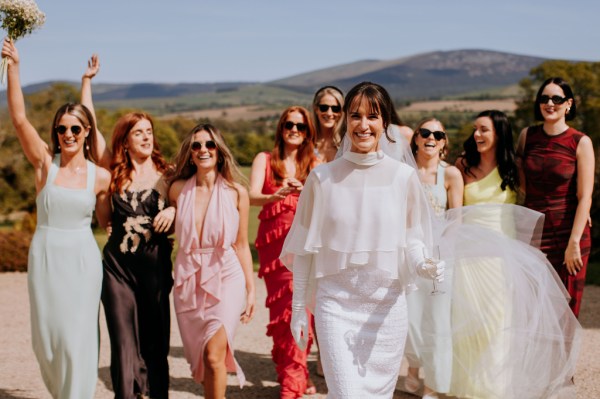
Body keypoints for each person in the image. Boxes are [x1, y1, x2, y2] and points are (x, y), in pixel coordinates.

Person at [281, 81, 444, 398]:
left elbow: (411, 239)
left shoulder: (403, 177)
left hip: (386, 310)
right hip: (335, 307)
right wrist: (299, 306)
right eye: (355, 115)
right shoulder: (322, 178)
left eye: (373, 116)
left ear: (385, 122)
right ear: (345, 121)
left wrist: (422, 264)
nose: (363, 124)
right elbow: (304, 248)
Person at [2, 38, 111, 398]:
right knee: (46, 341)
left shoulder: (101, 177)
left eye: (75, 129)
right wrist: (14, 68)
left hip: (82, 260)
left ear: (86, 132)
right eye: (62, 129)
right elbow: (18, 119)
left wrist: (87, 84)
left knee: (77, 337)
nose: (67, 134)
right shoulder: (44, 165)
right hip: (46, 257)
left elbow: (109, 219)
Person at [447, 110, 581, 398]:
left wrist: (580, 216)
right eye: (475, 129)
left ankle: (494, 389)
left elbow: (543, 197)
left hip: (503, 259)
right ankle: (467, 388)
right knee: (469, 324)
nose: (477, 135)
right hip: (469, 258)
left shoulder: (514, 169)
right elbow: (454, 213)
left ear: (499, 134)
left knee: (497, 325)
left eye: (484, 130)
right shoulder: (462, 166)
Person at [81, 55, 175, 399]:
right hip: (117, 270)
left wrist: (176, 213)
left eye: (149, 132)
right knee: (122, 343)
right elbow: (90, 132)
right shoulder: (112, 171)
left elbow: (193, 203)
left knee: (155, 344)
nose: (146, 137)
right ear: (125, 139)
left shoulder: (170, 174)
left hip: (156, 271)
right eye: (139, 133)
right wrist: (87, 82)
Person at [168, 123, 255, 399]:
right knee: (203, 358)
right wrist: (170, 212)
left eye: (209, 144)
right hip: (188, 277)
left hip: (226, 274)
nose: (203, 149)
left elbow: (241, 244)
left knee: (214, 354)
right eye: (196, 145)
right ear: (190, 154)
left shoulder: (236, 192)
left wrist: (251, 290)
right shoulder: (177, 190)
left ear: (219, 150)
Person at [249, 106, 316, 398]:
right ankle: (294, 374)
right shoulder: (265, 160)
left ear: (308, 132)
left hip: (305, 250)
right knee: (282, 312)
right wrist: (273, 195)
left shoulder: (315, 163)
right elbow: (251, 196)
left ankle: (292, 381)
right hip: (274, 249)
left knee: (303, 310)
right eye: (290, 125)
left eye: (301, 127)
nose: (294, 131)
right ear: (281, 127)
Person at [517, 77, 594, 318]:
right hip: (534, 235)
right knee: (535, 310)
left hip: (570, 235)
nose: (550, 103)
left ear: (568, 104)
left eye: (556, 99)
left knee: (566, 312)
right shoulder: (527, 136)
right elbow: (518, 184)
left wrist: (574, 244)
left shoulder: (580, 142)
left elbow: (585, 197)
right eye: (544, 98)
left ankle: (565, 358)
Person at [404, 118, 463, 399]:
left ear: (443, 142)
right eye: (425, 132)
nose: (431, 137)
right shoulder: (404, 172)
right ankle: (413, 365)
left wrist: (443, 256)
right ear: (416, 138)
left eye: (438, 134)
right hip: (409, 253)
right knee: (411, 317)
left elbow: (456, 219)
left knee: (438, 321)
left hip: (441, 257)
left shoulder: (450, 174)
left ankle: (433, 384)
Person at [311, 85, 344, 163]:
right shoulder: (306, 142)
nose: (329, 113)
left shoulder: (348, 143)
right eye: (324, 108)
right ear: (316, 109)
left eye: (335, 109)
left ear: (341, 112)